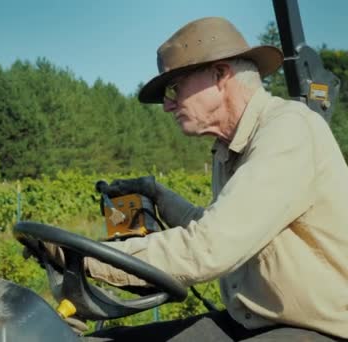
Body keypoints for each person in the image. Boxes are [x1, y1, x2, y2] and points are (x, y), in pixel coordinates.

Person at [28, 17, 348, 341]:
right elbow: (220, 225)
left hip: (317, 331)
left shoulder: (288, 130)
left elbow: (210, 247)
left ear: (220, 75)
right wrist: (161, 198)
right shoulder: (229, 148)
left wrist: (84, 258)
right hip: (253, 324)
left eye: (175, 88)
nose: (168, 105)